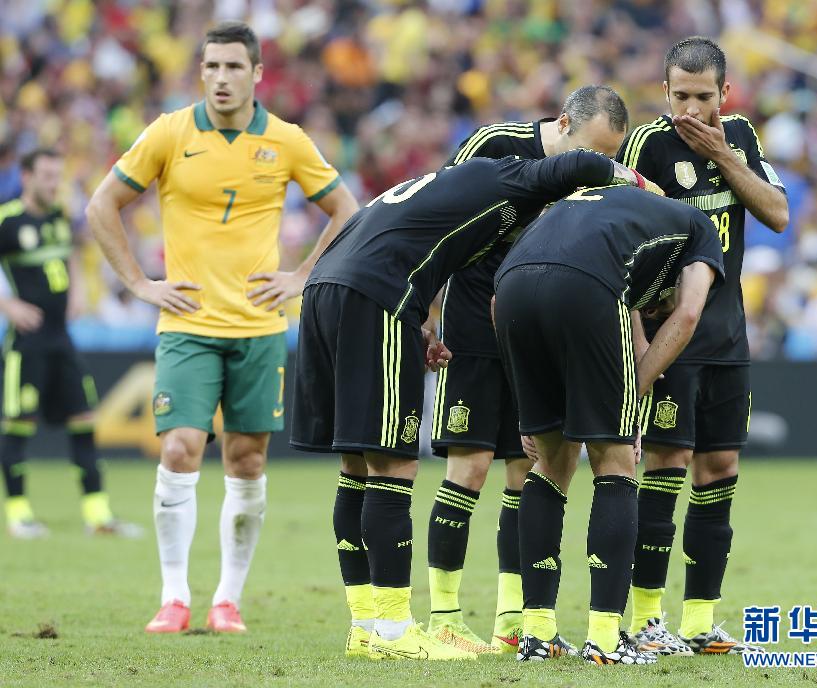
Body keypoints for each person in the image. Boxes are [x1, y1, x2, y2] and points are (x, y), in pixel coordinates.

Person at [292, 148, 652, 661]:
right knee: (392, 465)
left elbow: (409, 243)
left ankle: (366, 624)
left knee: (356, 464)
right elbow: (579, 166)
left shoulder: (442, 190)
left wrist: (417, 323)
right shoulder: (510, 174)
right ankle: (395, 631)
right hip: (377, 294)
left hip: (329, 287)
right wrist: (639, 183)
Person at [86, 21, 358, 634]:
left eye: (234, 67)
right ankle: (175, 596)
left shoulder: (285, 141)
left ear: (257, 74)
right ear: (200, 72)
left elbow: (346, 209)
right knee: (179, 447)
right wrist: (138, 284)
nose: (221, 78)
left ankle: (227, 600)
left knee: (246, 460)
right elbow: (101, 205)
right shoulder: (169, 133)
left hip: (259, 328)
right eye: (211, 67)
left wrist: (303, 276)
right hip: (186, 324)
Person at [427, 85, 632, 655]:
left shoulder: (589, 179)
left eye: (603, 162)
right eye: (585, 155)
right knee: (468, 468)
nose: (589, 172)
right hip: (471, 322)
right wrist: (425, 310)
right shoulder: (495, 143)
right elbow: (435, 218)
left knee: (529, 468)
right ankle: (443, 617)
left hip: (534, 328)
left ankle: (512, 622)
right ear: (562, 123)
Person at [493, 182, 724, 666]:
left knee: (550, 463)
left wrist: (527, 404)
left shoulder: (589, 210)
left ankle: (538, 635)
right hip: (585, 288)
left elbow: (499, 305)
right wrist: (631, 390)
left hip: (510, 287)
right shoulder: (697, 226)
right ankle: (604, 635)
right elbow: (687, 313)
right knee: (615, 462)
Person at [616, 36, 788, 655]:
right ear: (664, 91)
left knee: (720, 470)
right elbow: (622, 239)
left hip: (727, 336)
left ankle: (699, 620)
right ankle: (646, 618)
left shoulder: (739, 135)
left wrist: (726, 157)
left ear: (725, 94)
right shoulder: (645, 145)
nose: (690, 110)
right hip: (670, 337)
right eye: (680, 96)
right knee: (664, 466)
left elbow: (777, 214)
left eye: (703, 97)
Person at [0, 148, 142, 540]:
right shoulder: (8, 220)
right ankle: (19, 515)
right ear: (26, 176)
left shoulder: (59, 217)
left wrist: (77, 290)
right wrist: (8, 304)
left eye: (56, 175)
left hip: (62, 338)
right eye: (46, 176)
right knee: (19, 425)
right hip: (26, 343)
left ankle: (98, 516)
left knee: (83, 421)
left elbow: (74, 257)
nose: (52, 183)